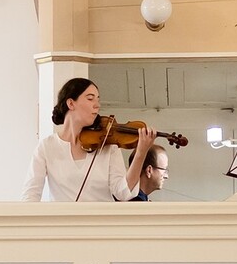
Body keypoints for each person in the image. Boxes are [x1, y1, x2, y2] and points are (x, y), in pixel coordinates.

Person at [22, 77, 156, 201]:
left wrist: (141, 153)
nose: (97, 105)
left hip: (101, 218)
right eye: (90, 99)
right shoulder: (47, 147)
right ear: (71, 103)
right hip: (63, 219)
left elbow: (124, 193)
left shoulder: (107, 145)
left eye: (98, 99)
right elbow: (30, 195)